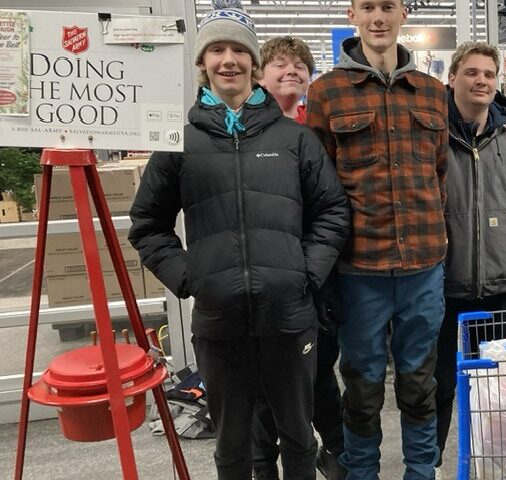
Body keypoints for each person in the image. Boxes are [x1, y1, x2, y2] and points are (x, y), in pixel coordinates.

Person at [128, 1, 351, 478]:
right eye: (217, 50)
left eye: (238, 50)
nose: (228, 60)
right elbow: (147, 222)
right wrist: (190, 277)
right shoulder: (180, 142)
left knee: (297, 436)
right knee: (233, 442)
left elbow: (332, 211)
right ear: (203, 62)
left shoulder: (294, 139)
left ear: (253, 62)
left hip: (289, 316)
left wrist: (304, 272)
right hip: (220, 320)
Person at [305, 0, 449, 477]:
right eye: (367, 7)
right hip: (359, 267)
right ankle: (362, 471)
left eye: (388, 6)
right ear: (353, 15)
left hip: (423, 266)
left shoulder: (432, 92)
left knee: (419, 381)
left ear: (403, 13)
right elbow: (318, 185)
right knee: (362, 384)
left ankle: (421, 471)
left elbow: (440, 172)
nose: (378, 17)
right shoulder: (327, 92)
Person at [435, 41, 506, 469]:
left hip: (503, 295)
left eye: (488, 74)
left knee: (502, 396)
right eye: (471, 72)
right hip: (442, 295)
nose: (481, 81)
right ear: (452, 78)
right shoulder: (432, 139)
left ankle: (499, 470)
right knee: (436, 390)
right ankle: (433, 466)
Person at [252, 35, 347, 480]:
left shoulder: (317, 131)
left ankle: (337, 453)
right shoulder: (244, 131)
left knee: (320, 370)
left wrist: (314, 270)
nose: (291, 70)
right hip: (264, 277)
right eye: (280, 64)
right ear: (260, 75)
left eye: (299, 65)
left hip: (316, 275)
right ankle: (266, 464)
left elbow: (332, 205)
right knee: (266, 382)